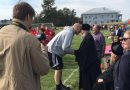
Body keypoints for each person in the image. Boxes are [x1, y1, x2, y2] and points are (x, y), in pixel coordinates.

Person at [0, 2, 49, 90]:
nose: (32, 21)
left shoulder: (2, 32)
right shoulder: (29, 38)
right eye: (32, 18)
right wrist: (44, 51)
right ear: (28, 17)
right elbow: (43, 69)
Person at [47, 23, 81, 90]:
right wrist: (75, 52)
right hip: (53, 50)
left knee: (60, 67)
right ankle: (58, 87)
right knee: (58, 68)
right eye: (80, 29)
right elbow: (65, 48)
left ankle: (60, 85)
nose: (80, 31)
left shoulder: (69, 31)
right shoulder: (69, 32)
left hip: (55, 50)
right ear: (76, 27)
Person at [74, 24, 101, 90]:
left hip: (89, 66)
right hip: (90, 64)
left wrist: (74, 52)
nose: (81, 33)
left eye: (81, 31)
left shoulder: (88, 38)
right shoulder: (88, 37)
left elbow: (84, 52)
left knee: (89, 84)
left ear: (83, 30)